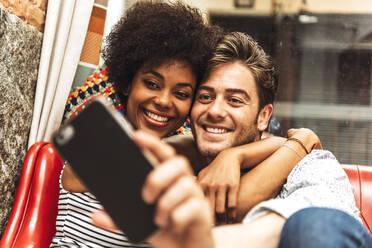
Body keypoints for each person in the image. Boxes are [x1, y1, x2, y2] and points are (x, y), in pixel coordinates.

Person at [92, 31, 371, 247]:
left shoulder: (312, 164)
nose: (215, 110)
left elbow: (322, 226)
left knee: (314, 225)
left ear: (264, 117)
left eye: (235, 100)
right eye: (205, 97)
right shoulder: (179, 166)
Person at [50, 1, 222, 247]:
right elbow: (74, 177)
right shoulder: (98, 140)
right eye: (152, 84)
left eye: (181, 94)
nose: (163, 101)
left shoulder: (183, 158)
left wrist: (236, 157)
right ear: (128, 83)